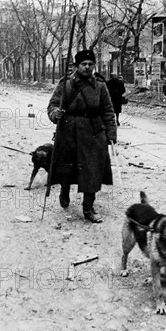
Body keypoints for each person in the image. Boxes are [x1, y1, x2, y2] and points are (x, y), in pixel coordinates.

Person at [47, 50, 117, 223]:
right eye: (83, 64)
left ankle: (88, 207)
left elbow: (108, 110)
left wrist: (111, 132)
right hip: (69, 130)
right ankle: (64, 189)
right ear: (76, 66)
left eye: (90, 64)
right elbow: (53, 105)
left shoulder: (100, 85)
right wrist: (56, 113)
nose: (87, 67)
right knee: (66, 166)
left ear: (94, 66)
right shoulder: (65, 84)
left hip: (93, 131)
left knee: (92, 169)